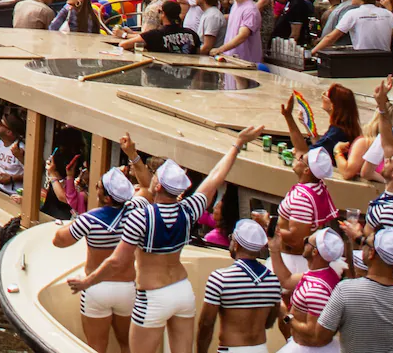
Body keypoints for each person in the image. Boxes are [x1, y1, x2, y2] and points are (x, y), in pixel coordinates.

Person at [68, 127, 263, 353]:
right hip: (182, 291)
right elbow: (215, 177)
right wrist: (237, 144)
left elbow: (117, 261)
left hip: (152, 296)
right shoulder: (189, 209)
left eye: (155, 176)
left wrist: (88, 282)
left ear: (158, 186)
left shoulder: (141, 216)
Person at [55, 164, 140, 353]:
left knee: (96, 348)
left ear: (107, 198)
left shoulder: (88, 220)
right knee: (128, 345)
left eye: (99, 186)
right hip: (127, 288)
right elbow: (145, 191)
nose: (95, 187)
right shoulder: (136, 211)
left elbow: (59, 241)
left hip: (96, 288)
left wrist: (69, 224)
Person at [295, 225, 393, 353]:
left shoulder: (345, 290)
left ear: (371, 253)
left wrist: (288, 317)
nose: (361, 245)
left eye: (364, 243)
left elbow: (320, 337)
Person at [197, 219, 282, 353]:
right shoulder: (273, 281)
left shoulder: (220, 278)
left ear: (236, 245)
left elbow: (206, 324)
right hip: (261, 349)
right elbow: (269, 322)